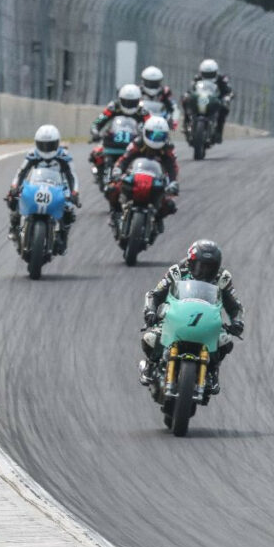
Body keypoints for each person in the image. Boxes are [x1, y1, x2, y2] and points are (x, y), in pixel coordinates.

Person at [139, 240, 244, 395]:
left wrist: (237, 322)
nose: (204, 271)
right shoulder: (177, 271)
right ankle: (151, 364)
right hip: (176, 316)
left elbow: (234, 305)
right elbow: (155, 294)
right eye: (200, 266)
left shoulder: (223, 278)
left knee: (225, 341)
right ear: (190, 262)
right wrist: (150, 312)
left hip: (208, 321)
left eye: (209, 267)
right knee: (151, 337)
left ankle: (212, 370)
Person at [4, 124, 80, 252]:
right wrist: (14, 187)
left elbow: (72, 175)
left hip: (59, 186)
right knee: (14, 199)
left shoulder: (64, 156)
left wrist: (74, 193)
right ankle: (14, 227)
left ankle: (63, 235)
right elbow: (21, 172)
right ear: (37, 143)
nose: (46, 149)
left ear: (57, 143)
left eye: (50, 145)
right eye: (43, 145)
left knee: (69, 209)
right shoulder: (32, 154)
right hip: (35, 184)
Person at [109, 116, 179, 232]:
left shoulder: (168, 149)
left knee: (170, 204)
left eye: (159, 136)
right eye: (152, 134)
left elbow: (173, 168)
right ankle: (115, 212)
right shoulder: (137, 143)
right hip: (134, 176)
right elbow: (124, 159)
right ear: (145, 132)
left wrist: (173, 183)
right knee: (111, 189)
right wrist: (117, 171)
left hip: (156, 180)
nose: (155, 139)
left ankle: (158, 218)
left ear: (166, 136)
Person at [182, 58, 233, 144]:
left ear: (216, 72)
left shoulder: (222, 79)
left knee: (224, 108)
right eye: (206, 74)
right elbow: (191, 89)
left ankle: (218, 132)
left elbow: (228, 90)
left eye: (210, 74)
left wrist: (228, 96)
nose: (208, 76)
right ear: (201, 72)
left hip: (215, 101)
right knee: (186, 101)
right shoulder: (197, 78)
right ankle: (186, 123)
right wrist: (187, 95)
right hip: (200, 99)